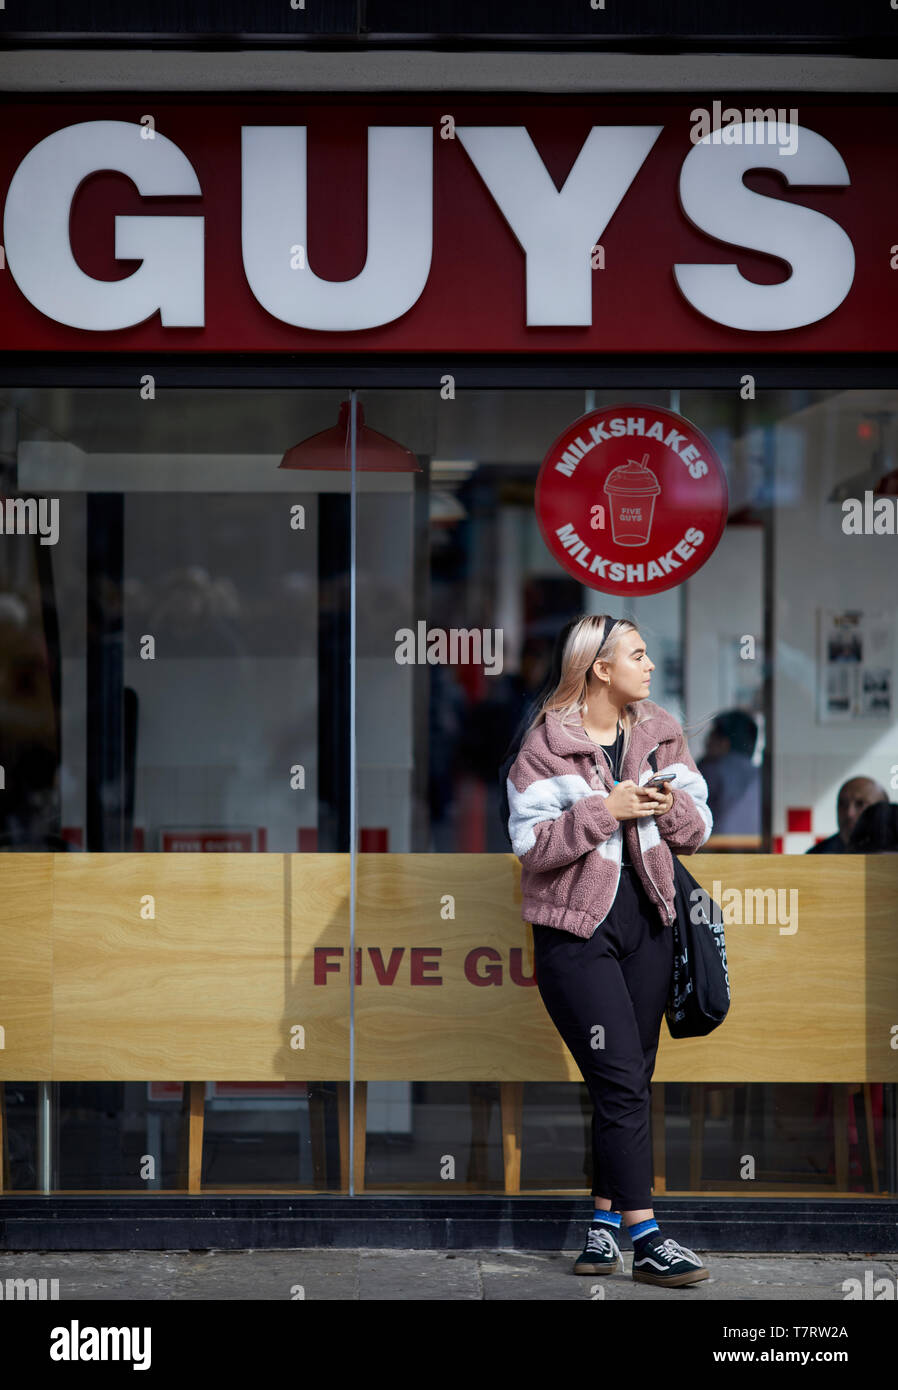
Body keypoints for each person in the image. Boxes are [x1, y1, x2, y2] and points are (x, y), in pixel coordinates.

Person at [502, 613, 713, 1288]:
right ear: (599, 668)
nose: (649, 666)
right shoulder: (545, 744)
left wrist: (662, 805)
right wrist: (607, 811)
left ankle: (602, 1228)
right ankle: (648, 1237)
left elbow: (700, 825)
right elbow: (532, 847)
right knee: (621, 1077)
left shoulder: (659, 731)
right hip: (575, 929)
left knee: (625, 1080)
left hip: (648, 920)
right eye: (638, 654)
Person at [697, 709, 761, 836]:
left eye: (712, 736)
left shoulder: (710, 771)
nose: (706, 743)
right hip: (757, 852)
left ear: (723, 743)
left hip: (716, 852)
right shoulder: (760, 774)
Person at [805, 777, 888, 853]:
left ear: (884, 810)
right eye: (842, 804)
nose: (849, 813)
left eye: (860, 804)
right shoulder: (816, 856)